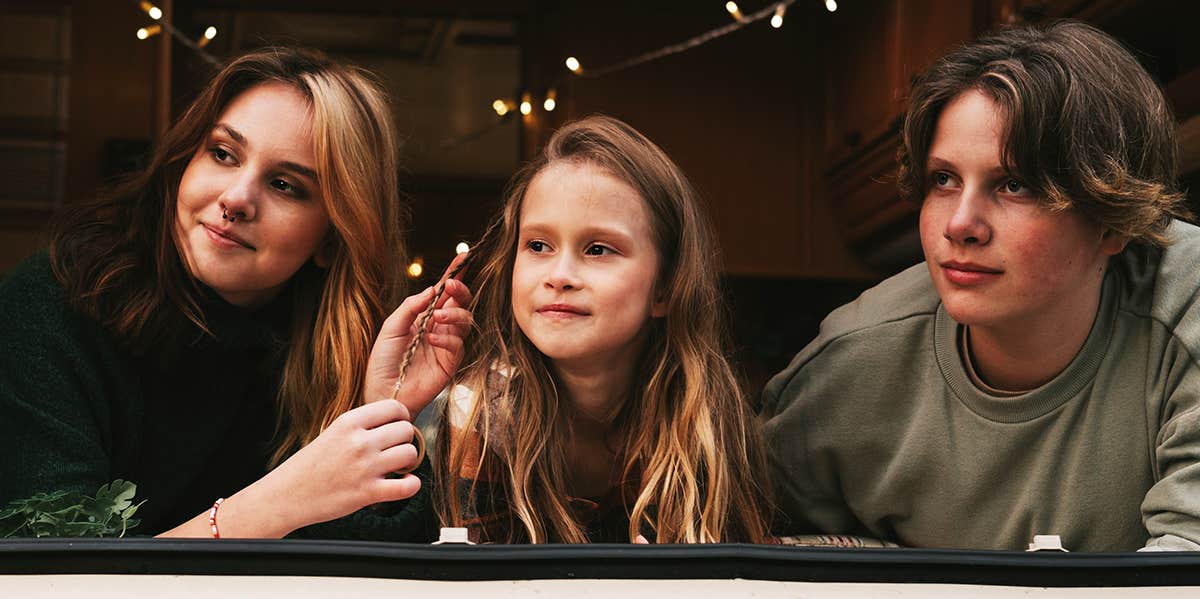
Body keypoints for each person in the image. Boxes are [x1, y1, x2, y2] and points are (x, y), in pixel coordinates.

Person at [760, 19, 1200, 552]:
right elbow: (746, 544)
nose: (960, 224)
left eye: (1014, 185)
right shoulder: (848, 365)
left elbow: (1179, 575)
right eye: (943, 179)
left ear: (1112, 222)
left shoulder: (1185, 304)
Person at [0, 48, 472, 539]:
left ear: (331, 241)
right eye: (223, 154)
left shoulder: (321, 352)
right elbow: (59, 578)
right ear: (186, 157)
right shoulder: (53, 306)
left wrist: (381, 410)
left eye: (285, 185)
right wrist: (288, 499)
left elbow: (374, 576)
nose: (236, 199)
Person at [420, 115, 771, 543]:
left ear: (665, 288)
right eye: (537, 245)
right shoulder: (481, 415)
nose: (560, 274)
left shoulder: (706, 419)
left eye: (598, 249)